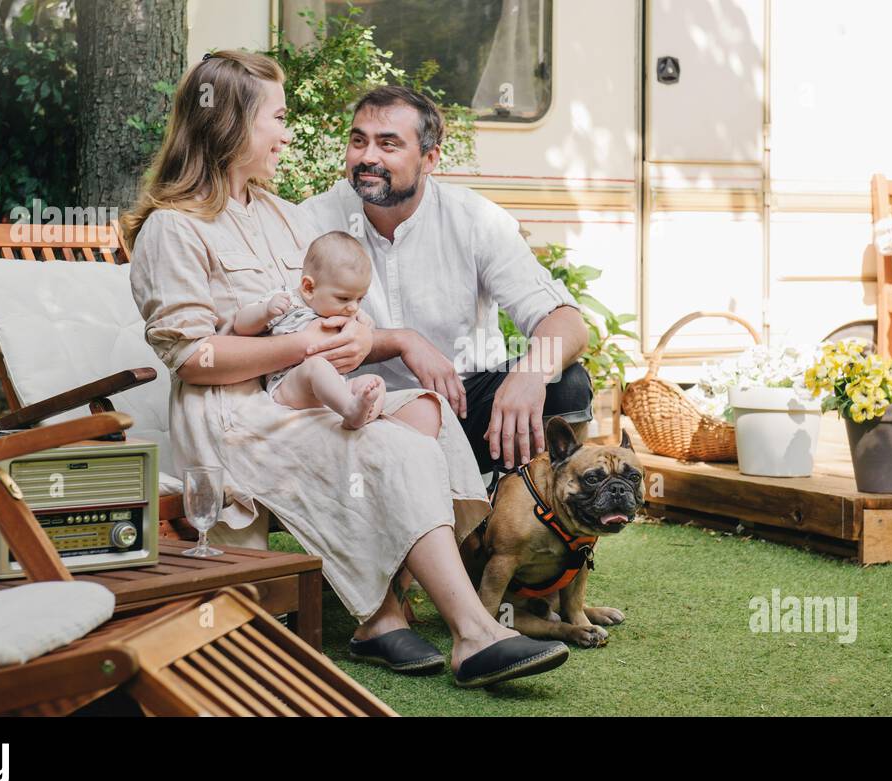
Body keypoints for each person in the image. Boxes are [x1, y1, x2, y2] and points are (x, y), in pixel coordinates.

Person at [124, 51, 567, 687]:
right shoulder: (175, 228)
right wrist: (306, 347)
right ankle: (473, 631)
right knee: (398, 449)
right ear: (228, 126)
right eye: (278, 118)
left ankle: (384, 614)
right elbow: (195, 360)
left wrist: (356, 331)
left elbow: (327, 304)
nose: (289, 133)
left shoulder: (281, 214)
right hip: (238, 415)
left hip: (305, 394)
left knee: (423, 411)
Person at [298, 86, 595, 475]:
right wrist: (401, 341)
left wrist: (530, 373)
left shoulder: (474, 220)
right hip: (359, 413)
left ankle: (520, 511)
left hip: (466, 408)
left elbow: (565, 321)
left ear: (430, 158)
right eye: (359, 141)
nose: (368, 156)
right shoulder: (313, 220)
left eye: (388, 145)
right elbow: (294, 334)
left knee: (566, 382)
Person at [233, 231, 386, 429]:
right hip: (290, 385)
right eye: (344, 298)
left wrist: (363, 325)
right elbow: (240, 325)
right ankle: (351, 410)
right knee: (316, 366)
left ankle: (362, 413)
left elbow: (361, 331)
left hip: (335, 389)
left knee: (376, 381)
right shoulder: (287, 302)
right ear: (308, 287)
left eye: (359, 299)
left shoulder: (344, 310)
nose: (353, 307)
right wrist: (265, 311)